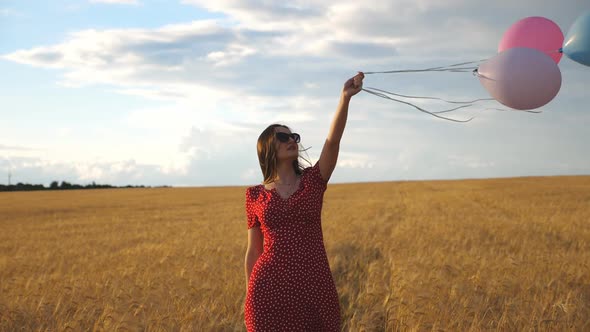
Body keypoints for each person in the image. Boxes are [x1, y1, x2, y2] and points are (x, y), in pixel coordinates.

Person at [244, 72, 365, 331]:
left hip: (313, 286)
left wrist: (344, 99)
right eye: (282, 137)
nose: (291, 140)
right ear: (266, 148)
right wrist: (249, 298)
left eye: (293, 136)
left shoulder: (313, 181)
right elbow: (253, 251)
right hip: (267, 292)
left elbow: (332, 141)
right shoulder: (254, 195)